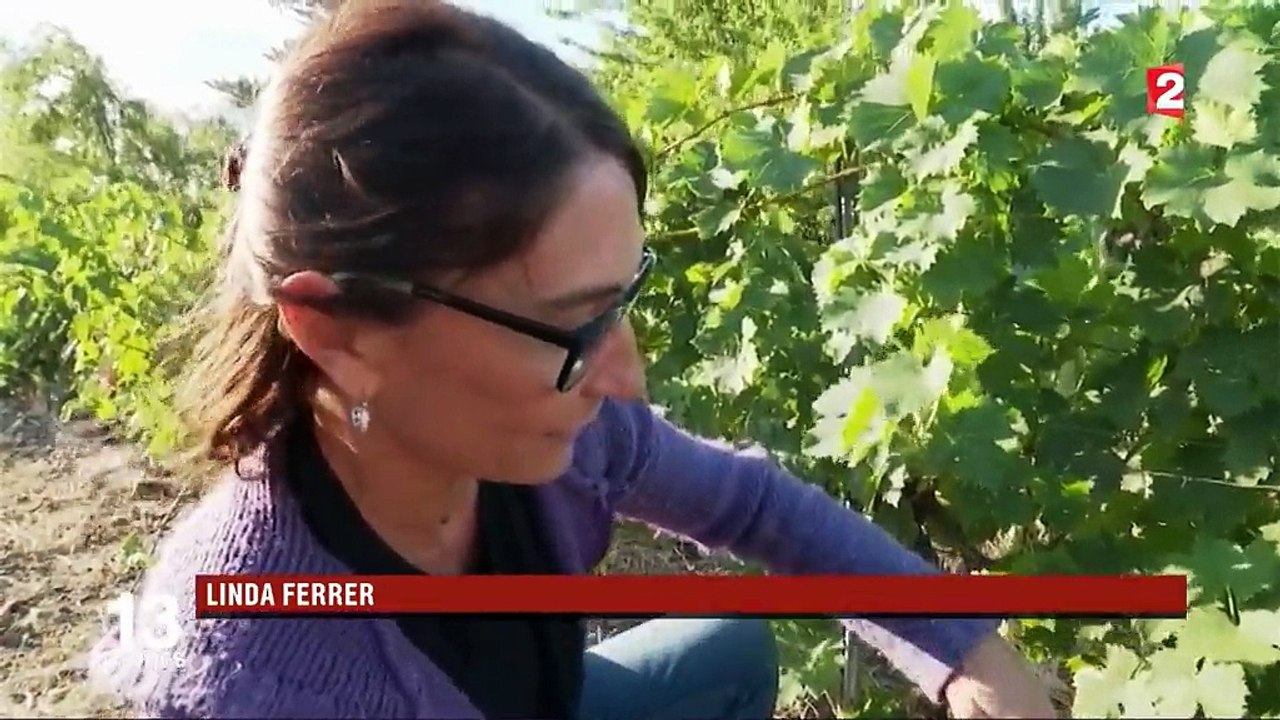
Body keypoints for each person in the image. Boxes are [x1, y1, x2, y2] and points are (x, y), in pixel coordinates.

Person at [88, 1, 1057, 718]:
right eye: (570, 325)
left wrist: (963, 644)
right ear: (337, 330)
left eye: (620, 300)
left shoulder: (569, 435)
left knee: (725, 649)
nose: (625, 379)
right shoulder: (251, 677)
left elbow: (757, 507)